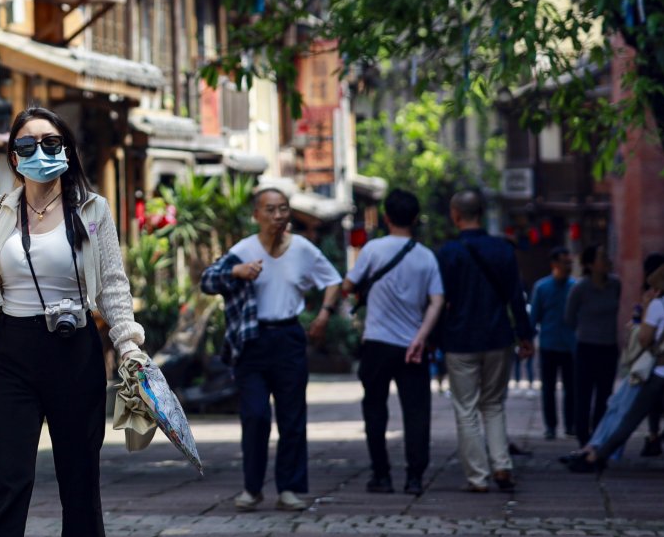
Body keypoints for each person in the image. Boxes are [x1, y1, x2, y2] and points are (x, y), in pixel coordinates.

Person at [0, 107, 146, 537]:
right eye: (26, 145)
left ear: (66, 147)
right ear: (12, 156)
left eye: (50, 141)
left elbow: (111, 282)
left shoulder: (90, 210)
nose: (40, 153)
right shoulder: (0, 210)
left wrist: (127, 344)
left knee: (78, 472)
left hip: (74, 349)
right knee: (9, 473)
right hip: (14, 350)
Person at [202, 183, 344, 513]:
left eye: (283, 208)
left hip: (289, 338)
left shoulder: (304, 249)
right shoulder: (243, 249)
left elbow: (333, 280)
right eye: (270, 209)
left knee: (292, 417)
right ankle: (252, 489)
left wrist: (324, 314)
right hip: (251, 342)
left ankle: (290, 489)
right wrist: (236, 271)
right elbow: (208, 280)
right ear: (256, 215)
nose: (278, 215)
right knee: (255, 416)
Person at [342, 188, 445, 496]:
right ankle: (415, 478)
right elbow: (437, 301)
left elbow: (348, 285)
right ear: (415, 219)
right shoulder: (426, 256)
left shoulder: (373, 250)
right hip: (412, 347)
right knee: (416, 413)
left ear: (386, 217)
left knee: (374, 410)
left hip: (376, 343)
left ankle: (382, 476)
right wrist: (421, 338)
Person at [435, 189, 536, 493]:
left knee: (466, 409)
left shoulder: (448, 253)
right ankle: (502, 465)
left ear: (455, 214)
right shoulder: (502, 250)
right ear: (480, 213)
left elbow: (439, 301)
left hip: (460, 339)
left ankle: (478, 477)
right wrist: (525, 334)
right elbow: (515, 296)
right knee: (493, 405)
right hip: (497, 337)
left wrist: (435, 338)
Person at [567, 262, 664, 473]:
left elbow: (644, 340)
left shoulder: (659, 305)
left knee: (630, 412)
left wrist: (645, 311)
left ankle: (598, 455)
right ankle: (599, 449)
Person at [565, 245, 622, 447]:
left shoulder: (615, 285)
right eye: (601, 258)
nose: (607, 260)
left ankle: (598, 436)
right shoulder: (580, 288)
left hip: (609, 347)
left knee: (604, 395)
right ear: (590, 264)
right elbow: (569, 319)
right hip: (586, 347)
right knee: (583, 394)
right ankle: (582, 437)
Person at [528, 248, 576, 441]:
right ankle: (550, 426)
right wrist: (528, 340)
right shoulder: (542, 287)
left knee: (571, 388)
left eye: (569, 262)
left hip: (570, 345)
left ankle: (570, 425)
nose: (568, 266)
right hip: (548, 344)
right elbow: (534, 317)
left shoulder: (575, 287)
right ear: (554, 264)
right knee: (548, 388)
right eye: (565, 262)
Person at [636, 253, 664, 457]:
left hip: (659, 355)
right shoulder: (658, 294)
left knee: (649, 397)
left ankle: (654, 435)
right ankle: (655, 435)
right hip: (661, 354)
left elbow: (645, 336)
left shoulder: (657, 298)